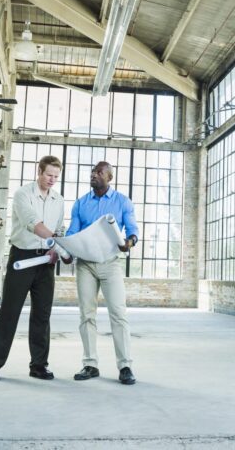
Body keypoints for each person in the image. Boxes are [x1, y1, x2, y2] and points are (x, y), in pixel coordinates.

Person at [0, 155, 67, 382]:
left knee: (42, 315)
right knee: (9, 312)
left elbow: (59, 228)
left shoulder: (58, 200)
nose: (52, 180)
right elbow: (34, 224)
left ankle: (39, 365)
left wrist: (56, 249)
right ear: (39, 172)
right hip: (23, 258)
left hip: (46, 262)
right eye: (49, 175)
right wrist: (59, 243)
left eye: (56, 176)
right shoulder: (23, 194)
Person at [68, 161, 139, 385]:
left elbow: (133, 230)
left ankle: (125, 365)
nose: (94, 175)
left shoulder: (122, 201)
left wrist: (129, 242)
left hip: (110, 262)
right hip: (85, 264)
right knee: (86, 314)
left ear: (109, 177)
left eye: (99, 172)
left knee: (118, 313)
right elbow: (72, 232)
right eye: (93, 172)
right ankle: (90, 364)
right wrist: (66, 249)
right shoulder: (81, 203)